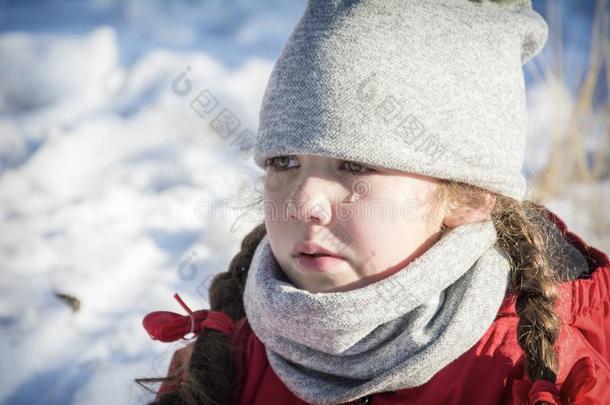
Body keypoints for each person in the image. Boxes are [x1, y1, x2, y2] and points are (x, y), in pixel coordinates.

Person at [136, 0, 610, 404]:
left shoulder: (539, 373)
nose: (303, 203)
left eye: (356, 166)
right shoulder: (226, 356)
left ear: (468, 196)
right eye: (284, 161)